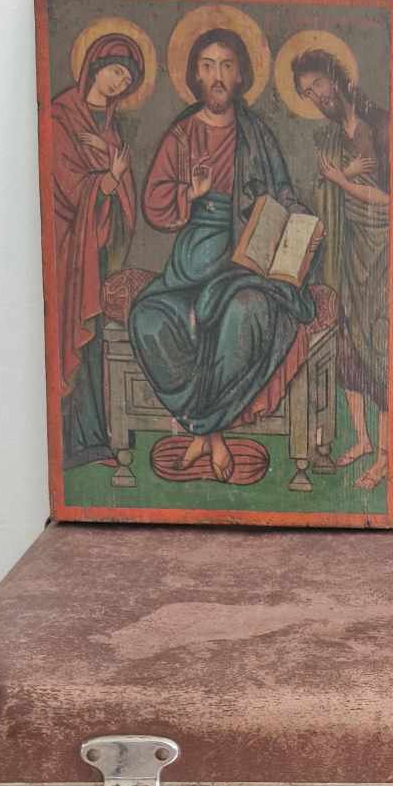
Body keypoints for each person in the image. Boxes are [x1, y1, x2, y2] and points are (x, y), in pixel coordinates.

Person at [129, 28, 316, 483]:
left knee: (246, 312)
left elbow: (283, 192)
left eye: (226, 66)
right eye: (208, 66)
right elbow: (154, 203)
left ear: (240, 76)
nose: (217, 76)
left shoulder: (257, 134)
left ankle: (203, 431)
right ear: (195, 75)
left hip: (248, 263)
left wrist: (297, 219)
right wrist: (188, 195)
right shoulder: (183, 135)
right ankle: (212, 434)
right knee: (148, 319)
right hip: (189, 268)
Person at [293, 48, 391, 492]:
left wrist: (342, 181)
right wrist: (336, 181)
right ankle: (363, 438)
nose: (316, 96)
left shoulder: (380, 125)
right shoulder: (333, 138)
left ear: (337, 77)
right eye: (307, 92)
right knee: (348, 341)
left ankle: (386, 455)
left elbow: (390, 198)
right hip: (347, 248)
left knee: (378, 343)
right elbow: (322, 191)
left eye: (318, 84)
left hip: (380, 250)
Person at [50, 32, 144, 468]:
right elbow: (67, 186)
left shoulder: (108, 127)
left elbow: (122, 188)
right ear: (95, 65)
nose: (119, 82)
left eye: (126, 79)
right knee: (71, 337)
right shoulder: (61, 116)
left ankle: (95, 440)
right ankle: (68, 446)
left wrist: (111, 165)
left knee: (94, 344)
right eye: (116, 71)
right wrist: (107, 176)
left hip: (95, 248)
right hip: (69, 249)